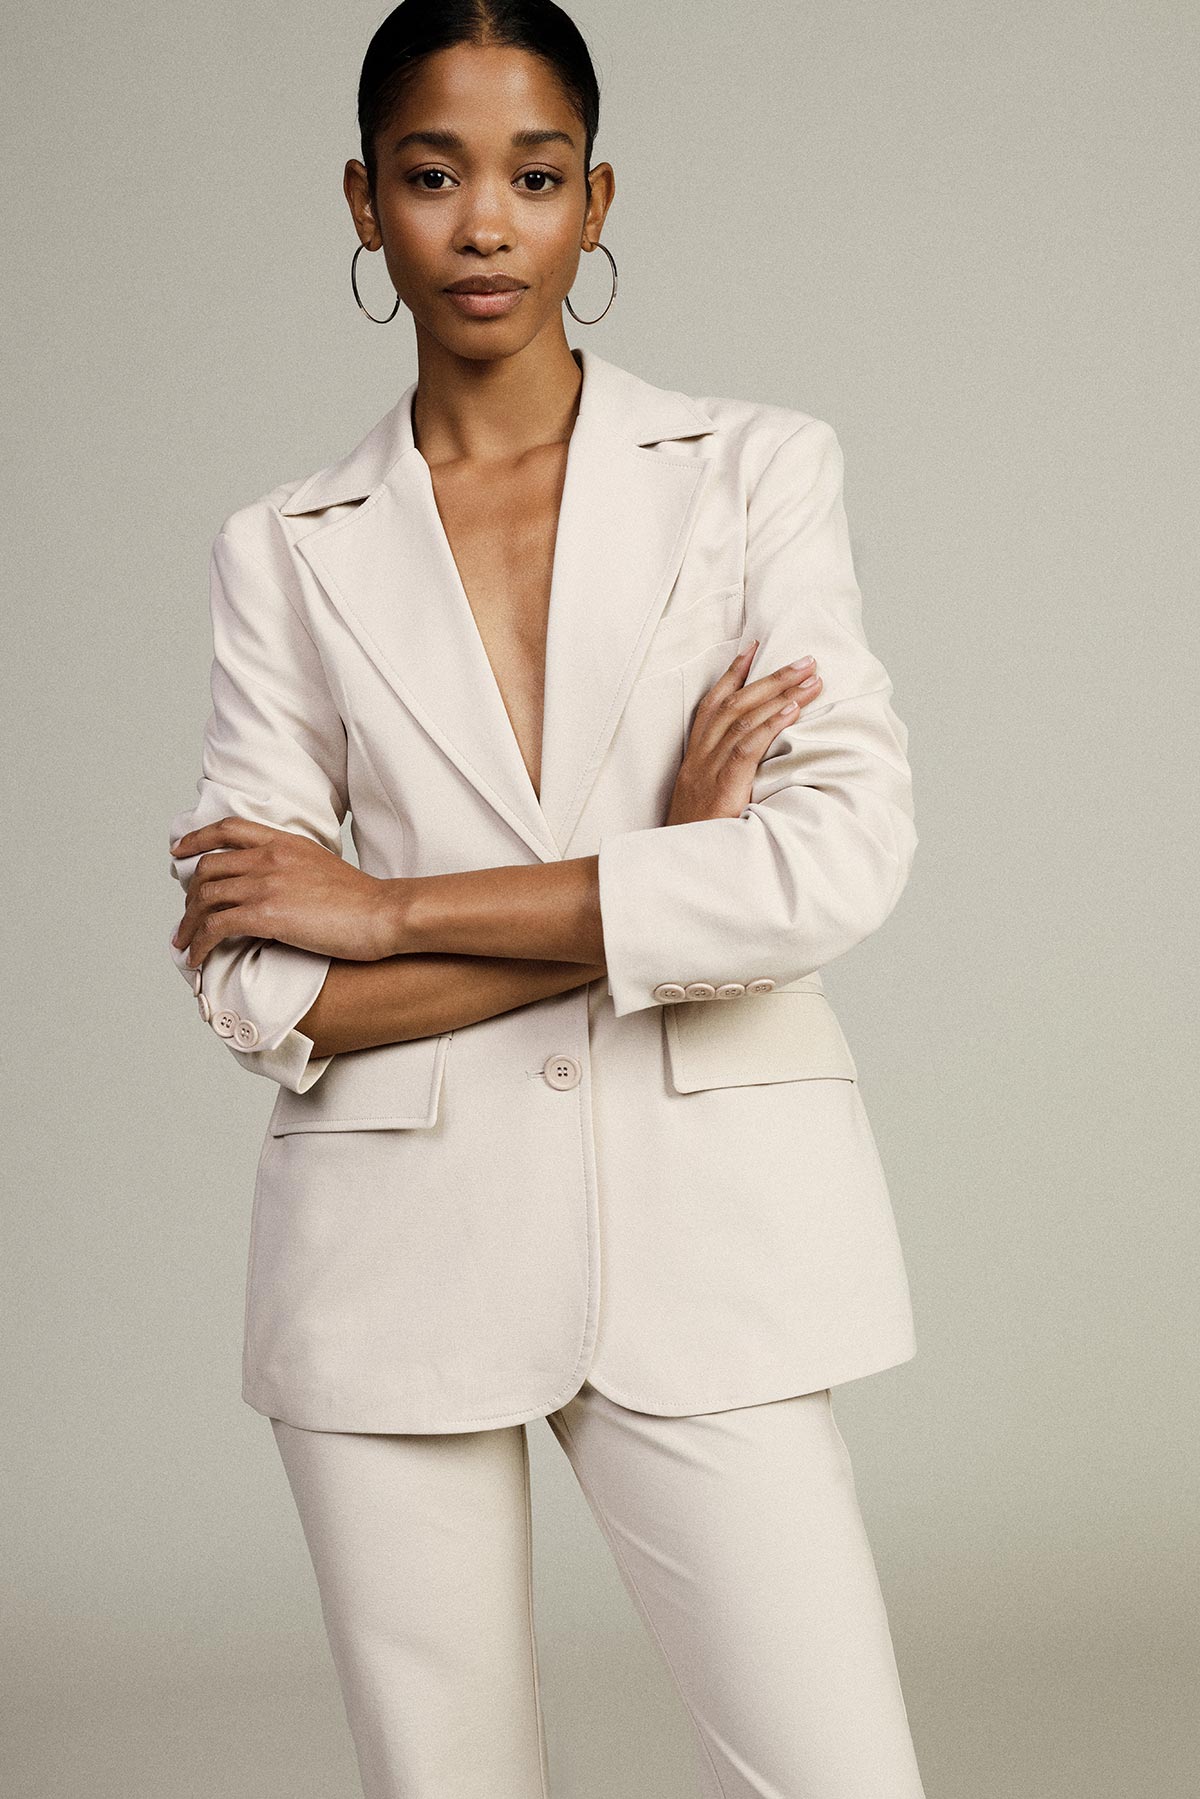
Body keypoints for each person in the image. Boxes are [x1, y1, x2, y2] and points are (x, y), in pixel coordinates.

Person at [166, 3, 928, 1794]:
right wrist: (659, 875)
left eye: (535, 175)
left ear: (597, 199)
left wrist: (393, 909)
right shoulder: (284, 550)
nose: (486, 224)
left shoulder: (756, 474)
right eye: (433, 177)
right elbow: (260, 990)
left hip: (711, 1235)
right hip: (388, 1255)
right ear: (366, 204)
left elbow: (834, 863)